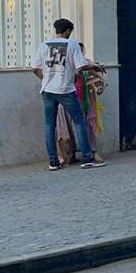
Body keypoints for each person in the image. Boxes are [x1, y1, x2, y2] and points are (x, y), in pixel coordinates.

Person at [32, 18, 101, 171]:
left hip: (47, 90)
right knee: (79, 121)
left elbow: (35, 68)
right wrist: (75, 76)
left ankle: (53, 162)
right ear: (68, 31)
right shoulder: (72, 44)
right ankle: (86, 158)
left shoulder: (43, 45)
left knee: (50, 125)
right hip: (65, 89)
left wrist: (46, 79)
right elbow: (81, 66)